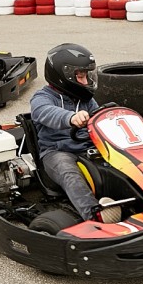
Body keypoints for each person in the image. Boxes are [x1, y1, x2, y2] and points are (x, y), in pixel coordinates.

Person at [30, 43, 120, 224]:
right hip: (57, 152)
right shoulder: (42, 98)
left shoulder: (86, 99)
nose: (86, 81)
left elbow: (99, 117)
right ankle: (95, 215)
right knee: (69, 172)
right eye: (81, 76)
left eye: (87, 75)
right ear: (63, 76)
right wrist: (71, 117)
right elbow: (43, 112)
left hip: (87, 146)